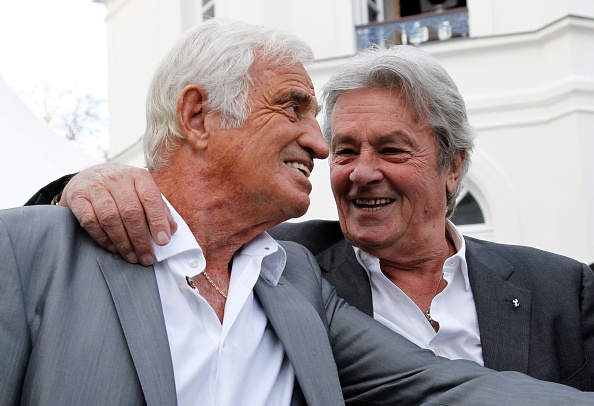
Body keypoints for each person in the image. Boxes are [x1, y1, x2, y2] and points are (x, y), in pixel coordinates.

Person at [18, 20, 594, 404]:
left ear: (452, 166)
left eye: (392, 149)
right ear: (197, 117)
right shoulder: (303, 266)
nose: (323, 151)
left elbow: (443, 385)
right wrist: (78, 184)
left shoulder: (288, 278)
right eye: (294, 110)